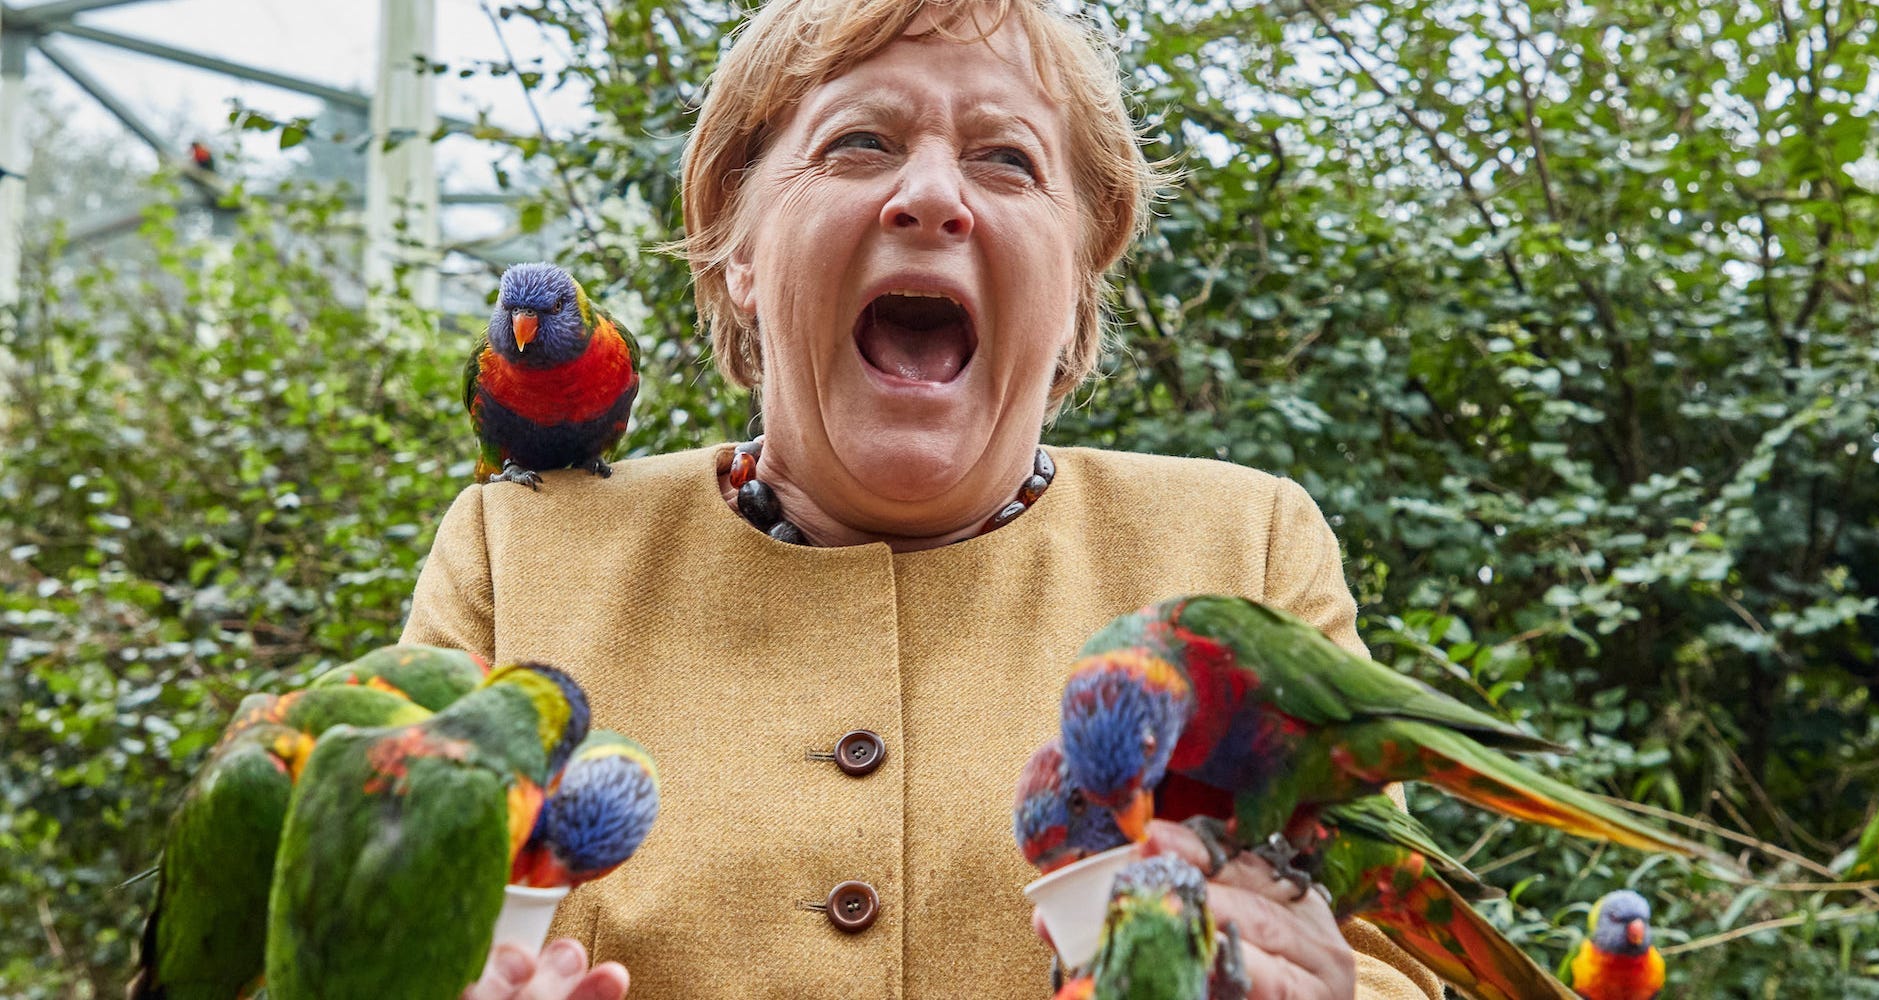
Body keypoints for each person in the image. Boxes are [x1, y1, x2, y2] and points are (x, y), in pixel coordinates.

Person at [416, 1, 1443, 997]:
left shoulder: (1242, 550)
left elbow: (1404, 963)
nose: (931, 196)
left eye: (1006, 159)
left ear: (1077, 277)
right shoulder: (518, 553)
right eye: (859, 142)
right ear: (740, 248)